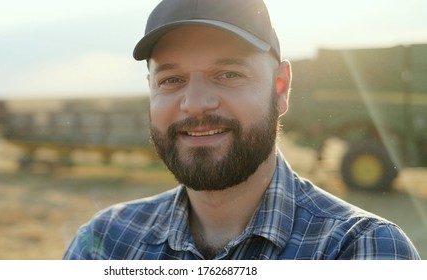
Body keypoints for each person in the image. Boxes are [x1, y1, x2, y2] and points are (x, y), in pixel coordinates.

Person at [64, 0, 420, 260]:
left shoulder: (362, 251)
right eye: (171, 79)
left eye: (228, 75)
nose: (196, 103)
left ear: (280, 89)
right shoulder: (105, 244)